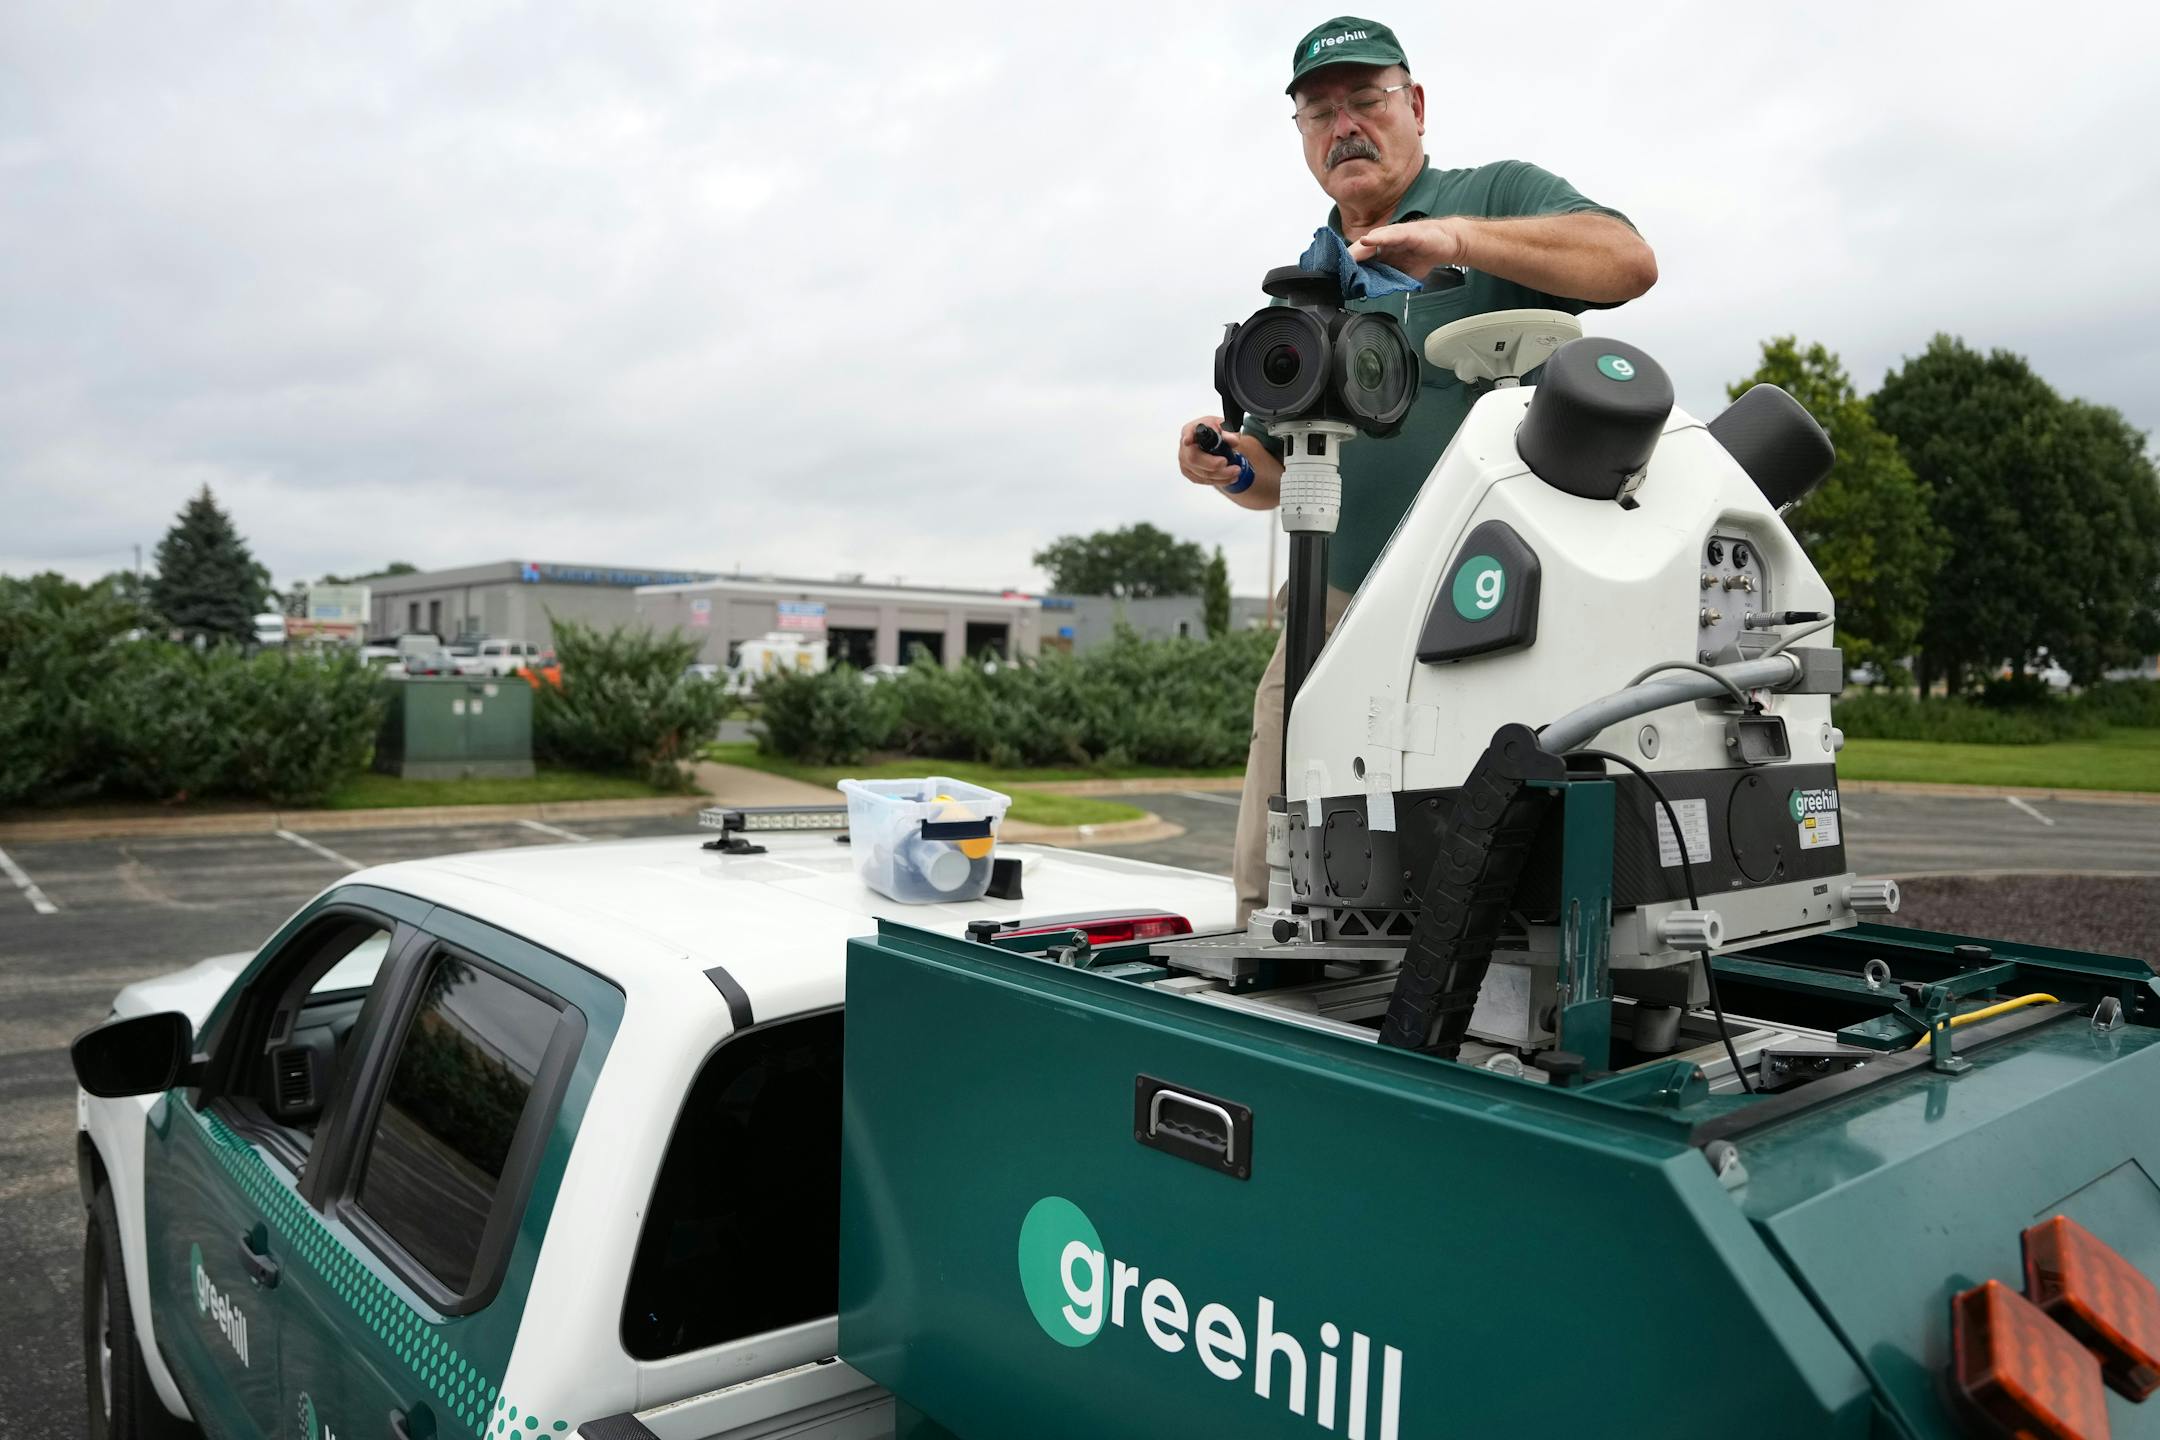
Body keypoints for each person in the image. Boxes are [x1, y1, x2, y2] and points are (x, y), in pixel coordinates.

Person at [1179, 16, 1659, 927]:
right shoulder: (1308, 281)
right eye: (1319, 112)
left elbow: (1628, 264)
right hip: (1336, 603)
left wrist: (1458, 241)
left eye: (1366, 100)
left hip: (1492, 598)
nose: (1344, 126)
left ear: (1417, 106)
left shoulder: (1494, 195)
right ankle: (1271, 963)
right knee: (1280, 845)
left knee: (1481, 854)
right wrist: (1228, 467)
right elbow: (1283, 472)